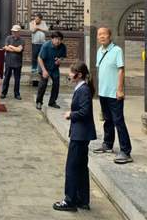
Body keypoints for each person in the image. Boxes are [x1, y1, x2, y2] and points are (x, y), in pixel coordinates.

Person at [53, 62, 96, 212]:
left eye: (72, 72)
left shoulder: (83, 90)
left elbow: (84, 112)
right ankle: (82, 199)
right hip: (81, 134)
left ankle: (70, 200)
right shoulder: (82, 88)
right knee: (81, 167)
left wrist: (71, 114)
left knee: (72, 167)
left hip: (80, 135)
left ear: (79, 75)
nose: (70, 75)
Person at [92, 27, 133, 164]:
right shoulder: (99, 51)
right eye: (99, 34)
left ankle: (126, 151)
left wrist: (120, 89)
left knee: (118, 121)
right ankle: (108, 144)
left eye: (104, 34)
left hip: (114, 93)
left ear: (110, 36)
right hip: (103, 92)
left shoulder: (117, 50)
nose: (101, 36)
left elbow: (121, 70)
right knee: (107, 119)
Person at [36, 31, 67, 110]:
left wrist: (60, 60)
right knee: (43, 85)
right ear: (52, 39)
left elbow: (63, 57)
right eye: (56, 39)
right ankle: (39, 102)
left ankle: (52, 102)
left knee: (56, 84)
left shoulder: (62, 47)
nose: (58, 41)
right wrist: (44, 71)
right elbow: (39, 58)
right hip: (44, 67)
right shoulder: (46, 46)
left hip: (54, 68)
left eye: (60, 39)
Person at [1, 25, 24, 100]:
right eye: (13, 31)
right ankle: (4, 93)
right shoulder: (8, 38)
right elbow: (6, 48)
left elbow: (19, 50)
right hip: (8, 61)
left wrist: (11, 46)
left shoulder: (22, 40)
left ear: (19, 32)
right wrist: (15, 48)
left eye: (15, 31)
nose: (14, 33)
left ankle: (17, 94)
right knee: (6, 78)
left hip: (18, 63)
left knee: (17, 79)